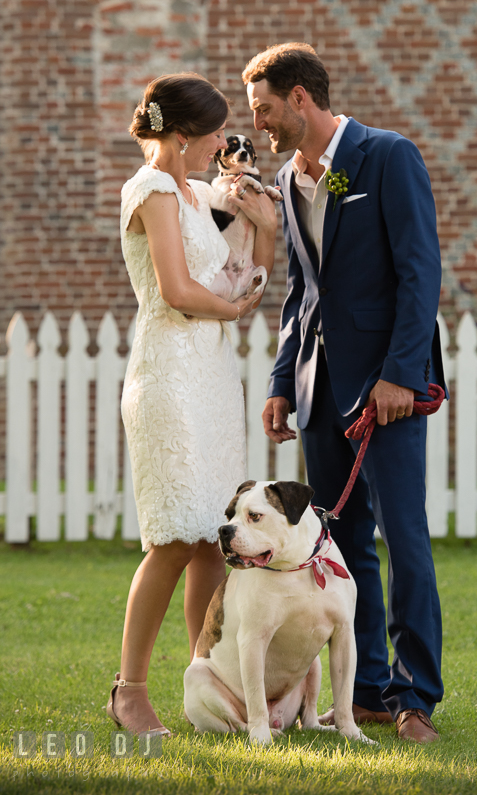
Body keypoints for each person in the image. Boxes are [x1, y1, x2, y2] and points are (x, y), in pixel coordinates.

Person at [243, 43, 447, 744]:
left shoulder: (388, 156)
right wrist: (279, 383)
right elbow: (301, 291)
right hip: (317, 390)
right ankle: (363, 693)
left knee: (404, 541)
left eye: (265, 109)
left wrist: (400, 373)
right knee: (341, 543)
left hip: (385, 389)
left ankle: (414, 695)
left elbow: (420, 273)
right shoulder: (288, 177)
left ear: (301, 97)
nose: (261, 124)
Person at [108, 73, 277, 736]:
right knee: (174, 539)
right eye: (211, 135)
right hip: (169, 373)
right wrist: (232, 308)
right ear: (181, 136)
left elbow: (245, 278)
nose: (220, 144)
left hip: (211, 375)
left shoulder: (202, 192)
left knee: (215, 540)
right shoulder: (150, 190)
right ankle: (130, 689)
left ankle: (202, 683)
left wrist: (262, 228)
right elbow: (179, 290)